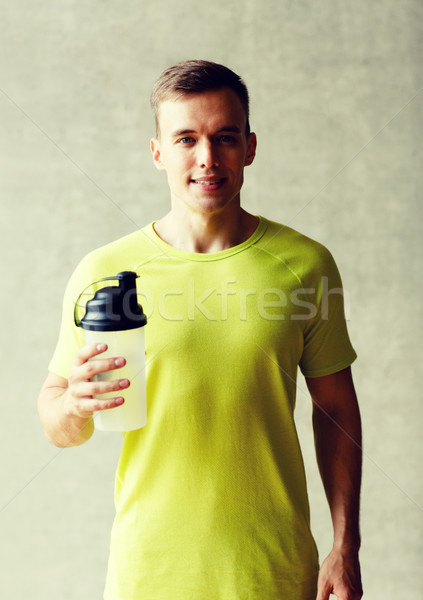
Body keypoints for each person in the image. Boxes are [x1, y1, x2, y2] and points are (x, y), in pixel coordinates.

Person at [38, 60, 363, 600]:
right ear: (158, 153)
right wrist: (72, 404)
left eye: (225, 138)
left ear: (250, 147)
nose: (207, 158)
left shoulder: (305, 265)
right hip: (148, 576)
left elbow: (336, 409)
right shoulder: (102, 273)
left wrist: (345, 546)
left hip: (276, 573)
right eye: (186, 138)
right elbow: (57, 423)